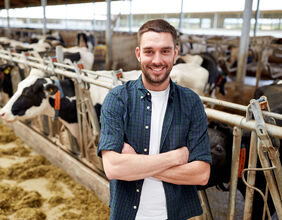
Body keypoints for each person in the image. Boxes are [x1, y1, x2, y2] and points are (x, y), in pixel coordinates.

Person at [97, 19, 212, 220]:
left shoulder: (191, 102)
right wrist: (176, 158)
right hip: (127, 213)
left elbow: (201, 175)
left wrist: (134, 165)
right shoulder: (118, 98)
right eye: (149, 51)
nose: (157, 60)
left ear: (175, 53)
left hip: (174, 214)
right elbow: (113, 168)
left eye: (165, 51)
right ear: (138, 54)